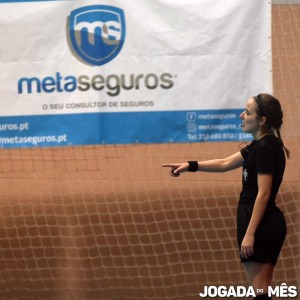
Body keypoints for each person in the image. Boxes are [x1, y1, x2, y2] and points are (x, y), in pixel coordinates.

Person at [162, 93, 290, 300]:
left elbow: (264, 194)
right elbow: (224, 163)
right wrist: (190, 166)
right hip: (262, 220)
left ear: (262, 120)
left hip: (259, 221)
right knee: (262, 290)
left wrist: (250, 233)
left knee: (260, 292)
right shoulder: (262, 145)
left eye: (247, 112)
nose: (241, 115)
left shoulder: (266, 147)